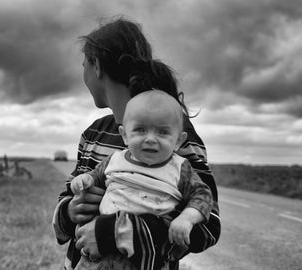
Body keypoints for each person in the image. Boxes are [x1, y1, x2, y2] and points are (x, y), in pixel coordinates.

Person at [52, 17, 221, 270]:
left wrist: (113, 233)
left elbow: (208, 227)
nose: (151, 138)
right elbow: (66, 203)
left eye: (83, 65)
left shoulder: (175, 134)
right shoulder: (93, 134)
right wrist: (70, 210)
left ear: (96, 66)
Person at [70, 90, 213, 269]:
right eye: (140, 130)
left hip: (146, 259)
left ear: (178, 141)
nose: (151, 139)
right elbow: (95, 177)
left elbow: (203, 195)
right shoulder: (114, 160)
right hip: (97, 256)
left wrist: (186, 219)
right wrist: (84, 179)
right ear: (124, 135)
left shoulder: (180, 168)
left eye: (162, 132)